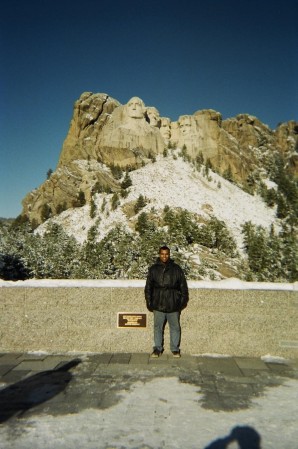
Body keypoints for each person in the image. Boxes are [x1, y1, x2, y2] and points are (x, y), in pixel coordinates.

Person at [145, 246, 189, 358]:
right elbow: (148, 287)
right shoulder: (153, 269)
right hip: (158, 303)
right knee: (157, 327)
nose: (164, 256)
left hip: (173, 304)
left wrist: (181, 303)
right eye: (162, 254)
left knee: (175, 327)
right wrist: (149, 302)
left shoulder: (176, 269)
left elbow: (183, 287)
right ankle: (157, 349)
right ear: (159, 254)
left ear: (169, 255)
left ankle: (175, 349)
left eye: (166, 254)